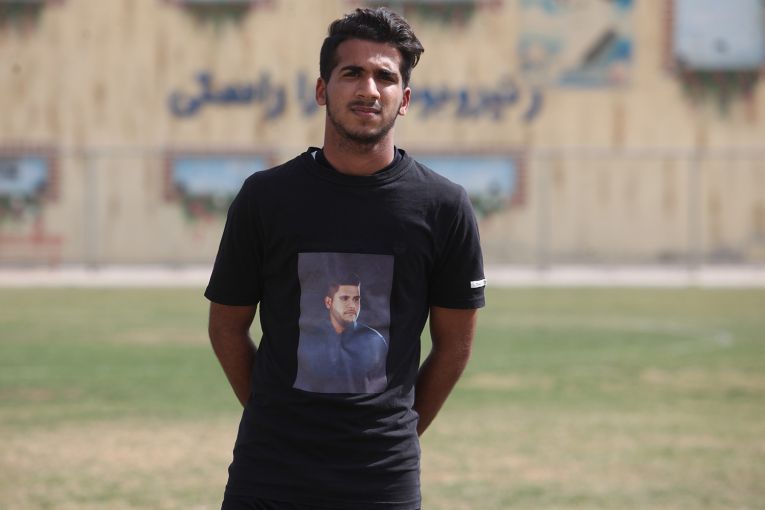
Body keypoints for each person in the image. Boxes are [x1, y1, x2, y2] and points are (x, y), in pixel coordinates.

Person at [206, 7, 485, 510]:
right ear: (322, 90)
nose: (369, 89)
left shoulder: (443, 207)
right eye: (352, 73)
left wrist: (395, 432)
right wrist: (273, 417)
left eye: (385, 77)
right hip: (267, 473)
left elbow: (454, 347)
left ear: (405, 100)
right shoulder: (266, 198)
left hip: (382, 479)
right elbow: (226, 327)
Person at [294, 272, 389, 394]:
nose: (352, 305)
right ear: (328, 302)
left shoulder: (375, 341)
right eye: (344, 298)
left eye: (356, 299)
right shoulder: (308, 340)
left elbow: (381, 391)